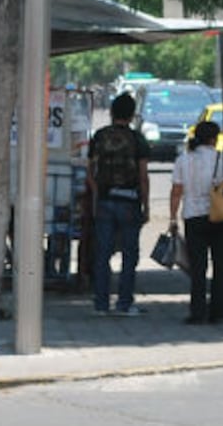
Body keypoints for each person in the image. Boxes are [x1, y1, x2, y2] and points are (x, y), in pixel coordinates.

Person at [86, 92, 151, 317]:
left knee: (102, 253)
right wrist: (146, 205)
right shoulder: (137, 139)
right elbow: (143, 176)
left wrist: (97, 192)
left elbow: (90, 171)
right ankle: (124, 302)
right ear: (132, 115)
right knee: (129, 254)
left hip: (105, 201)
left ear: (112, 112)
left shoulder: (99, 136)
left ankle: (101, 303)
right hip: (130, 201)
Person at [169, 121, 223, 324]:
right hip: (220, 215)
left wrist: (173, 217)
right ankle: (219, 309)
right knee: (220, 264)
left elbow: (176, 191)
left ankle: (197, 311)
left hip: (193, 216)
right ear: (214, 138)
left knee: (197, 268)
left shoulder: (184, 159)